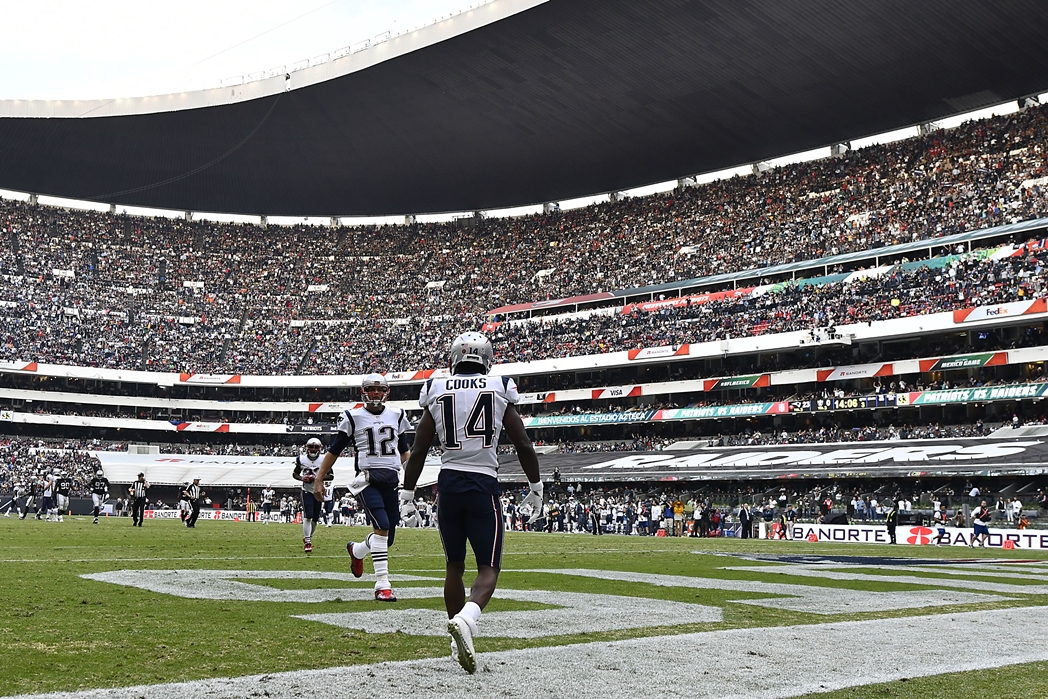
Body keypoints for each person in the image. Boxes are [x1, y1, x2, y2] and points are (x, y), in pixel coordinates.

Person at [402, 332, 541, 674]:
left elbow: (418, 449)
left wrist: (407, 492)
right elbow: (522, 442)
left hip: (447, 483)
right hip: (482, 482)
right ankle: (467, 620)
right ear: (487, 358)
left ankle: (456, 638)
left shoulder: (436, 387)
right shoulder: (498, 386)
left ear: (453, 358)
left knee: (454, 567)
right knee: (489, 567)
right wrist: (535, 485)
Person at [314, 373, 411, 600]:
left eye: (379, 389)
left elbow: (405, 452)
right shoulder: (353, 416)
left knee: (387, 538)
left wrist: (413, 482)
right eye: (371, 389)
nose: (375, 394)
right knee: (382, 526)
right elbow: (335, 450)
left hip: (391, 479)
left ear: (386, 392)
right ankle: (382, 585)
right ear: (363, 392)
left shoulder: (397, 415)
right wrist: (320, 478)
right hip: (367, 480)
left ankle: (357, 550)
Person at [295, 438, 330, 552]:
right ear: (307, 447)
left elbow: (331, 476)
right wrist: (302, 478)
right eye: (311, 446)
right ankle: (308, 542)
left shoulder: (323, 459)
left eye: (316, 447)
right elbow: (295, 473)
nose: (313, 449)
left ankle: (308, 537)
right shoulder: (301, 459)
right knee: (308, 515)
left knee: (315, 518)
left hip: (318, 491)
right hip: (306, 490)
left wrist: (317, 478)